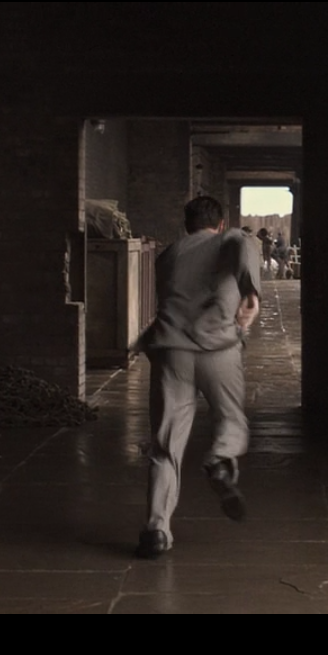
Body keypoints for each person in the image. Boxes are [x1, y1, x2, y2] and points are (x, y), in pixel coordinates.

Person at [132, 196, 261, 559]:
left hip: (171, 351)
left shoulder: (168, 255)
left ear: (186, 225)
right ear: (220, 224)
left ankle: (156, 531)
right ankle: (220, 460)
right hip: (218, 350)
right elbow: (242, 242)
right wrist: (251, 292)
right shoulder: (229, 240)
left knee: (165, 445)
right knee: (231, 420)